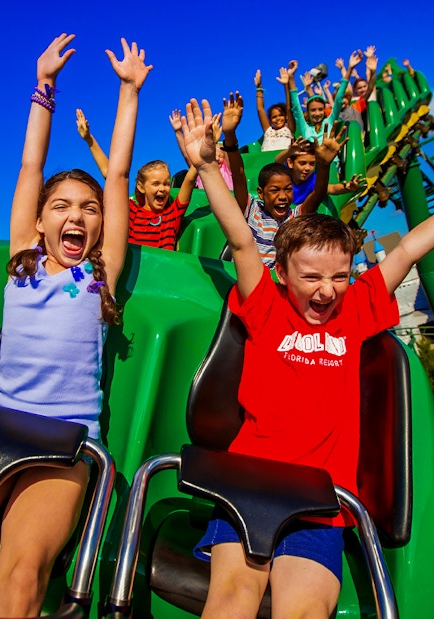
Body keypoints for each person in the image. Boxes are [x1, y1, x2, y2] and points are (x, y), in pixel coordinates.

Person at [180, 96, 434, 619]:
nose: (326, 291)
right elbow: (243, 245)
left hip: (321, 500)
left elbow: (407, 249)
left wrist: (361, 280)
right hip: (247, 481)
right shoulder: (267, 308)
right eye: (311, 278)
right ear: (285, 274)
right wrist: (207, 166)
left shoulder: (358, 308)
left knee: (305, 609)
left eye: (339, 276)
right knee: (231, 598)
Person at [0, 34, 152, 618]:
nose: (76, 215)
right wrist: (43, 86)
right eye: (62, 206)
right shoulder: (20, 260)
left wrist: (128, 93)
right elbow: (31, 163)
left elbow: (119, 174)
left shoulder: (102, 274)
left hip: (65, 440)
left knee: (22, 572)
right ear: (42, 219)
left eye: (89, 208)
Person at [221, 91, 347, 268]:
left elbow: (318, 194)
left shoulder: (295, 217)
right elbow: (239, 175)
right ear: (261, 193)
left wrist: (324, 165)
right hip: (249, 279)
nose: (282, 196)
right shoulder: (252, 209)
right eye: (274, 190)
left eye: (288, 189)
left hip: (275, 284)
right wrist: (230, 135)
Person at [77, 108, 197, 250]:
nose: (162, 188)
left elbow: (189, 180)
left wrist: (203, 153)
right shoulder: (132, 211)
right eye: (155, 184)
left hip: (161, 270)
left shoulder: (171, 215)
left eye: (166, 184)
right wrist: (89, 139)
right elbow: (111, 175)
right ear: (141, 187)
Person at [285, 51, 363, 143]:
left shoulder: (329, 121)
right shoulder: (304, 127)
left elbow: (339, 98)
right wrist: (291, 77)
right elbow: (295, 106)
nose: (317, 113)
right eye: (313, 110)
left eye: (320, 109)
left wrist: (349, 68)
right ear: (308, 112)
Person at [275, 138, 366, 204]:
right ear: (291, 163)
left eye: (312, 164)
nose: (307, 168)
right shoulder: (285, 173)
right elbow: (277, 162)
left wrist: (347, 188)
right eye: (302, 163)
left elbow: (331, 188)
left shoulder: (312, 179)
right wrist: (288, 152)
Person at [254, 69, 293, 151]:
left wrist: (286, 86)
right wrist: (259, 88)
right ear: (270, 120)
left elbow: (289, 107)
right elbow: (260, 109)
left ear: (286, 117)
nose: (278, 118)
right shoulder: (268, 131)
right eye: (274, 117)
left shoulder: (289, 129)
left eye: (281, 115)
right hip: (269, 162)